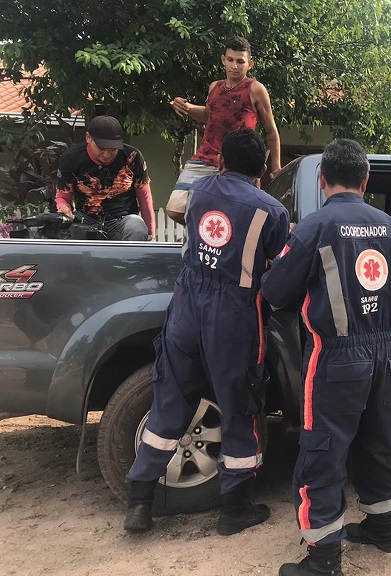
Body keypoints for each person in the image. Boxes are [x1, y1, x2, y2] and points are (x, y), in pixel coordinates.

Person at [261, 139, 391, 576]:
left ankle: (325, 563)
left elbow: (275, 290)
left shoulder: (315, 227)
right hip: (386, 355)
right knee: (379, 441)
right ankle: (382, 528)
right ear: (366, 182)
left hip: (336, 357)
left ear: (321, 178)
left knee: (324, 450)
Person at [123, 129, 290, 535]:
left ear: (221, 161)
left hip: (186, 305)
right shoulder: (271, 210)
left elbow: (182, 221)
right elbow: (283, 271)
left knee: (169, 401)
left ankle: (140, 503)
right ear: (264, 168)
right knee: (239, 407)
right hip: (233, 316)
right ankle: (234, 511)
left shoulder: (199, 192)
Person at [167, 36, 282, 224]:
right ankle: (207, 233)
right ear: (223, 60)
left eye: (240, 61)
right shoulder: (215, 87)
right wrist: (186, 107)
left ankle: (223, 241)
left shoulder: (255, 89)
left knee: (242, 217)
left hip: (237, 163)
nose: (234, 66)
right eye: (230, 60)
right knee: (175, 208)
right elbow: (209, 115)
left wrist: (276, 168)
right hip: (205, 157)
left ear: (249, 64)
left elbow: (271, 131)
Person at [55, 115, 154, 241]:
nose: (107, 155)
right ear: (88, 138)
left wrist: (151, 235)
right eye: (101, 149)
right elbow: (63, 197)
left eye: (113, 150)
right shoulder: (70, 159)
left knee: (137, 227)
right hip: (85, 222)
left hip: (124, 222)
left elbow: (145, 198)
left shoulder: (132, 156)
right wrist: (64, 207)